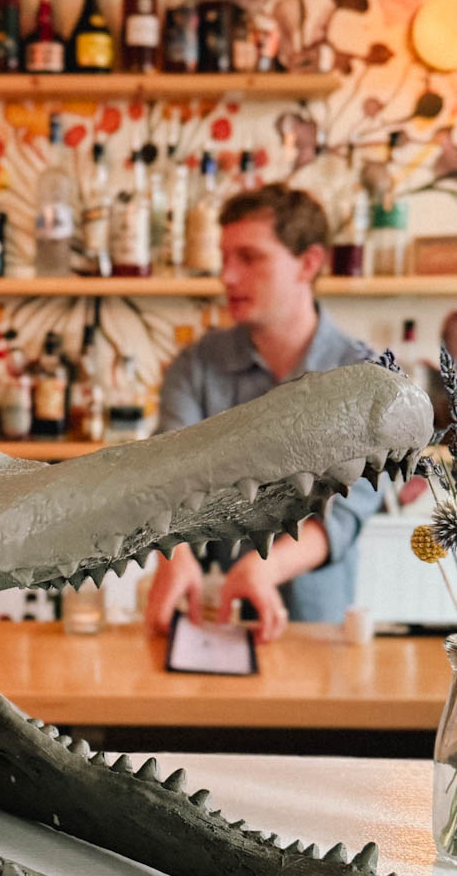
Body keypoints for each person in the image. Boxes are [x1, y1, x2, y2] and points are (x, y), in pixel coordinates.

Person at [146, 182, 381, 644]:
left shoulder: (363, 376)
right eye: (224, 257)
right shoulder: (196, 365)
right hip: (206, 619)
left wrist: (264, 567)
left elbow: (349, 507)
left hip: (313, 629)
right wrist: (174, 554)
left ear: (308, 263)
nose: (227, 276)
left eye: (249, 258)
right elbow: (163, 474)